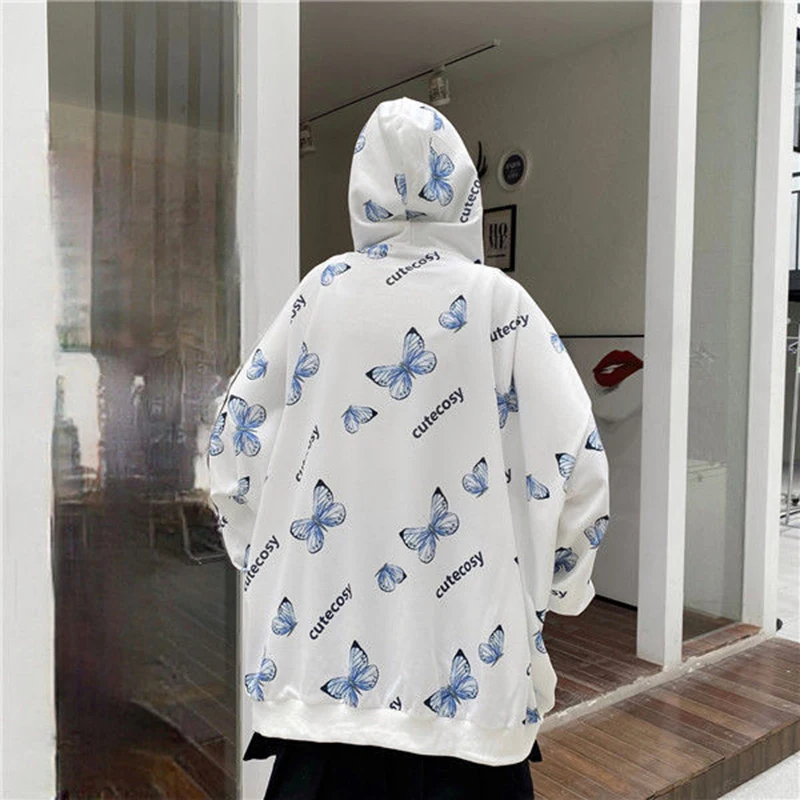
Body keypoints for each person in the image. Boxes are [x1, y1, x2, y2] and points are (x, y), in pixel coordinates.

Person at [207, 96, 610, 799]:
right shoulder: (499, 304)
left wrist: (264, 557)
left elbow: (233, 444)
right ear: (463, 188)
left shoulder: (320, 295)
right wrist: (560, 590)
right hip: (473, 702)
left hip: (323, 690)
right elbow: (577, 463)